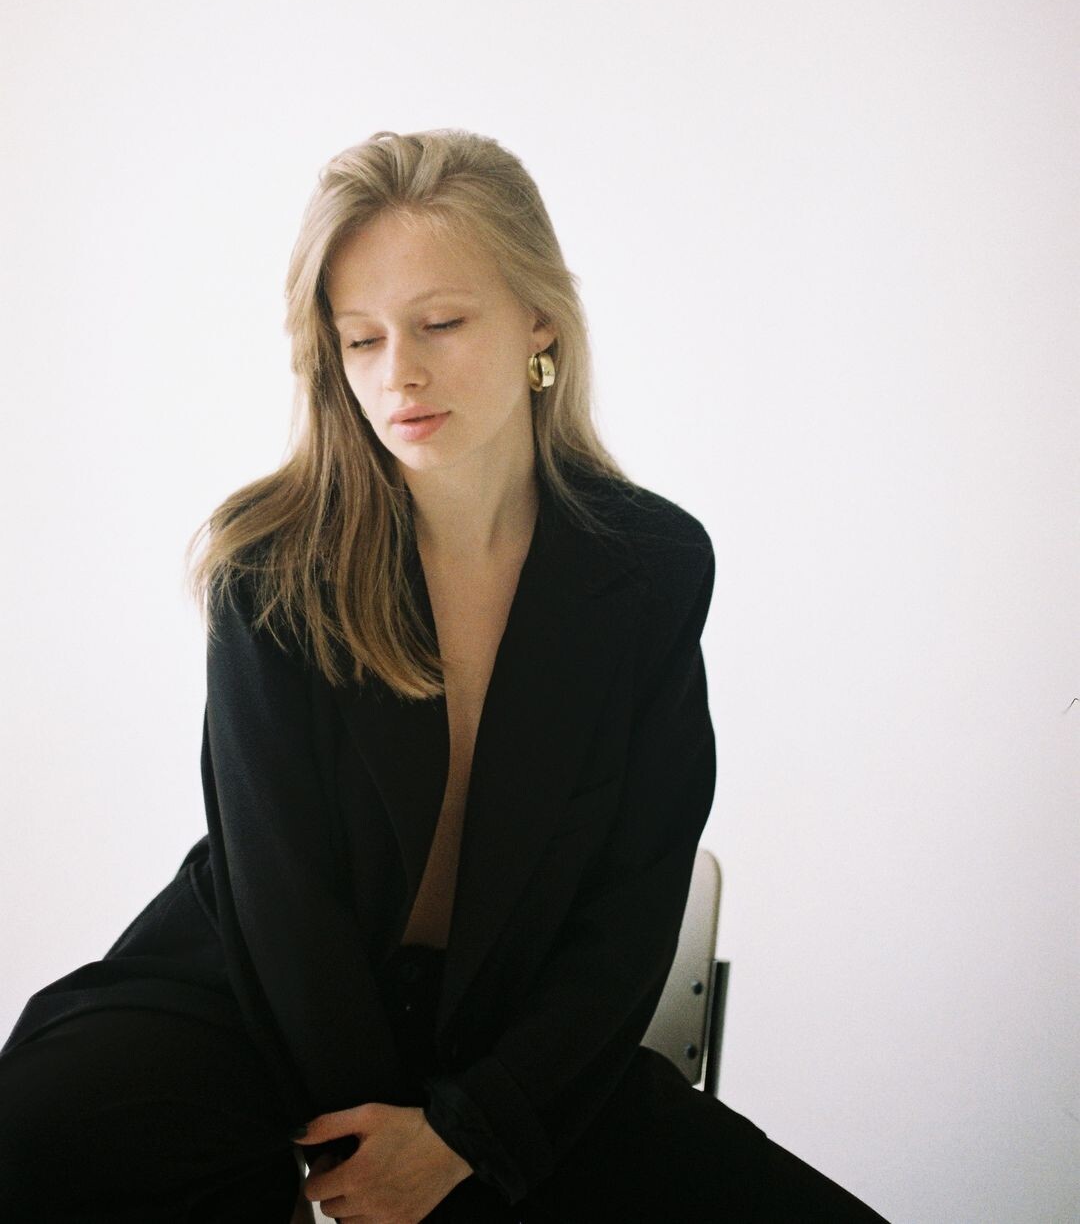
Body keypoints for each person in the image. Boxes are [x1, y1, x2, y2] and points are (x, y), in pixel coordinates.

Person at [0, 128, 888, 1222]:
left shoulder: (650, 567)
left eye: (441, 323)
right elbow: (283, 906)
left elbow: (632, 904)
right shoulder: (270, 568)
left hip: (516, 1044)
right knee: (39, 1132)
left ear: (540, 317)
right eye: (361, 339)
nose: (399, 374)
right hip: (256, 1005)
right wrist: (381, 1146)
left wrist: (469, 1135)